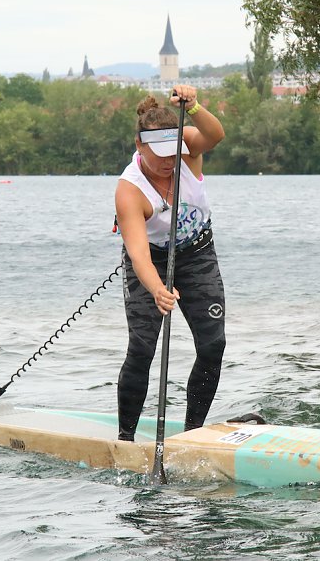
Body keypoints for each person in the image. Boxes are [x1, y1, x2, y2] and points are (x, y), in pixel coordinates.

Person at [114, 84, 226, 442]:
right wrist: (158, 290)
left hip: (197, 254)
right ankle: (126, 438)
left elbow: (216, 134)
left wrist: (193, 106)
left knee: (212, 345)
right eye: (158, 153)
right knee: (143, 348)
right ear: (139, 146)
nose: (168, 161)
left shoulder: (188, 148)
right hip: (152, 262)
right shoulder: (129, 191)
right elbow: (137, 254)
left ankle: (192, 434)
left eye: (172, 152)